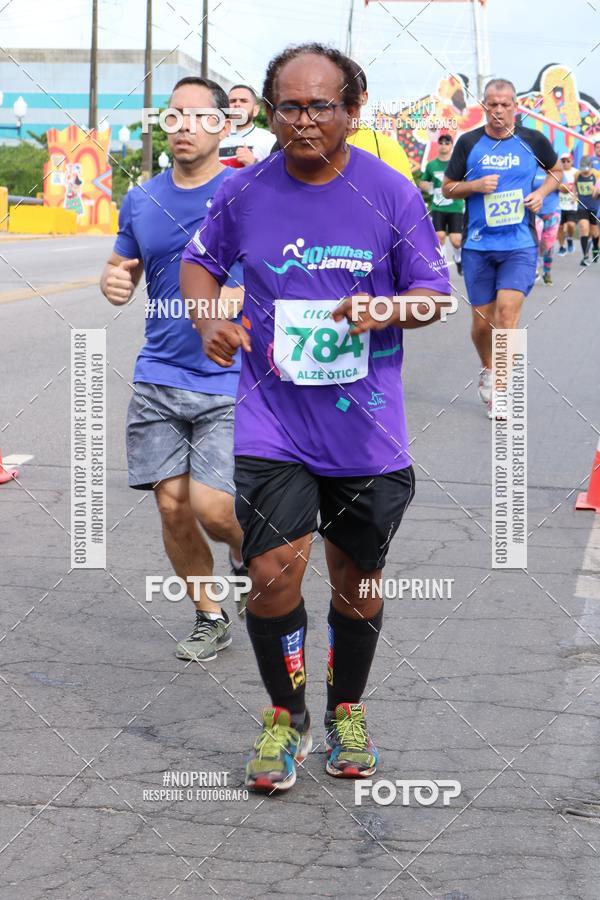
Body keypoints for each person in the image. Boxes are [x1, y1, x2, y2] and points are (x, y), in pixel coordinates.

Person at [181, 43, 451, 793]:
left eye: (320, 105)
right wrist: (207, 318)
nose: (304, 120)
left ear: (351, 110)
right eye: (289, 106)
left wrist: (387, 308)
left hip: (367, 429)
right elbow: (199, 262)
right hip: (273, 419)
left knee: (356, 579)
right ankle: (283, 716)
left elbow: (435, 294)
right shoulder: (244, 192)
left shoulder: (392, 194)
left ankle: (347, 710)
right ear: (270, 112)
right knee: (270, 574)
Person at [100, 76, 248, 662]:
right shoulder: (142, 198)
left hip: (227, 377)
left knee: (214, 508)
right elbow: (123, 265)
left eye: (196, 116)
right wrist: (114, 280)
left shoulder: (247, 192)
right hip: (158, 376)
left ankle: (244, 555)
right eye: (173, 116)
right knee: (170, 504)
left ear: (222, 124)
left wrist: (241, 292)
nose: (183, 126)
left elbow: (279, 263)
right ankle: (209, 615)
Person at [442, 78, 561, 418]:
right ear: (484, 106)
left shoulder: (532, 140)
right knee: (482, 323)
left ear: (515, 107)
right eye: (491, 105)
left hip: (519, 244)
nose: (498, 111)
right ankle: (487, 368)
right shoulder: (469, 143)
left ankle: (503, 391)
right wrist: (475, 185)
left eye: (504, 104)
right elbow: (448, 188)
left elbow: (554, 171)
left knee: (506, 315)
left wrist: (541, 194)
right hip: (479, 245)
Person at [345, 61, 414, 183]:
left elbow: (407, 200)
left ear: (364, 97)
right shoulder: (309, 146)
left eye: (350, 89)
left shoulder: (386, 148)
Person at [420, 134, 465, 274]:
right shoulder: (432, 165)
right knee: (439, 236)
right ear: (438, 145)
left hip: (455, 206)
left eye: (447, 143)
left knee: (456, 240)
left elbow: (466, 182)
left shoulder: (457, 164)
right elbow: (423, 181)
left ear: (452, 145)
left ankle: (458, 258)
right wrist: (427, 187)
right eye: (441, 143)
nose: (444, 145)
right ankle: (443, 267)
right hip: (438, 206)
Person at [219, 84, 274, 168]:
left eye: (243, 101)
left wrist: (254, 163)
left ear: (255, 110)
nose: (237, 104)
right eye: (232, 101)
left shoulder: (269, 140)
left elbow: (278, 177)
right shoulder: (212, 140)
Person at [532, 165, 561, 285]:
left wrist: (561, 186)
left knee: (548, 244)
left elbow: (565, 188)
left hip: (552, 212)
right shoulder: (532, 169)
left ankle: (547, 272)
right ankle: (534, 268)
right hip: (535, 212)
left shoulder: (556, 171)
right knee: (535, 240)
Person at [573, 155, 600, 265]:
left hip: (594, 206)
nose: (584, 170)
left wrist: (596, 190)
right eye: (582, 167)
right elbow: (575, 185)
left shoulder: (596, 174)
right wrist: (575, 194)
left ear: (590, 165)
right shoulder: (577, 174)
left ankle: (595, 248)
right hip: (582, 206)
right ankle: (585, 256)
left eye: (586, 167)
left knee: (594, 231)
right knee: (584, 228)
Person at [557, 153, 578, 256]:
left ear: (572, 161)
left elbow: (579, 186)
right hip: (559, 205)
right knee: (560, 228)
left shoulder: (576, 173)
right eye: (563, 161)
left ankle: (569, 238)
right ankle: (561, 247)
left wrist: (576, 196)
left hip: (571, 205)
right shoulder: (557, 173)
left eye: (568, 161)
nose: (565, 163)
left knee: (571, 225)